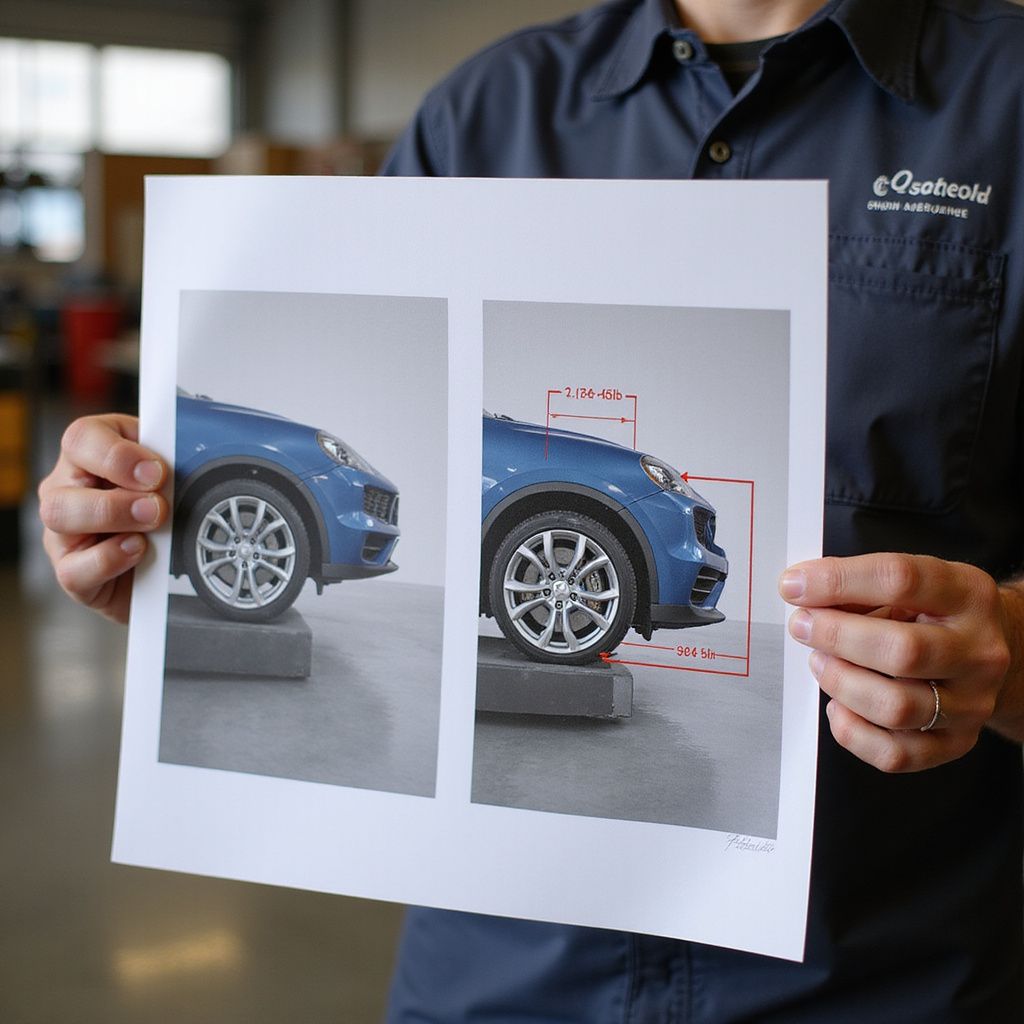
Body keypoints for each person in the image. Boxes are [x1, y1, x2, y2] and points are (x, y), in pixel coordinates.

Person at [39, 0, 1024, 1019]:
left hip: (882, 980)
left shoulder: (1007, 101)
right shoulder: (483, 113)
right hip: (496, 983)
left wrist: (1011, 652)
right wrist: (146, 548)